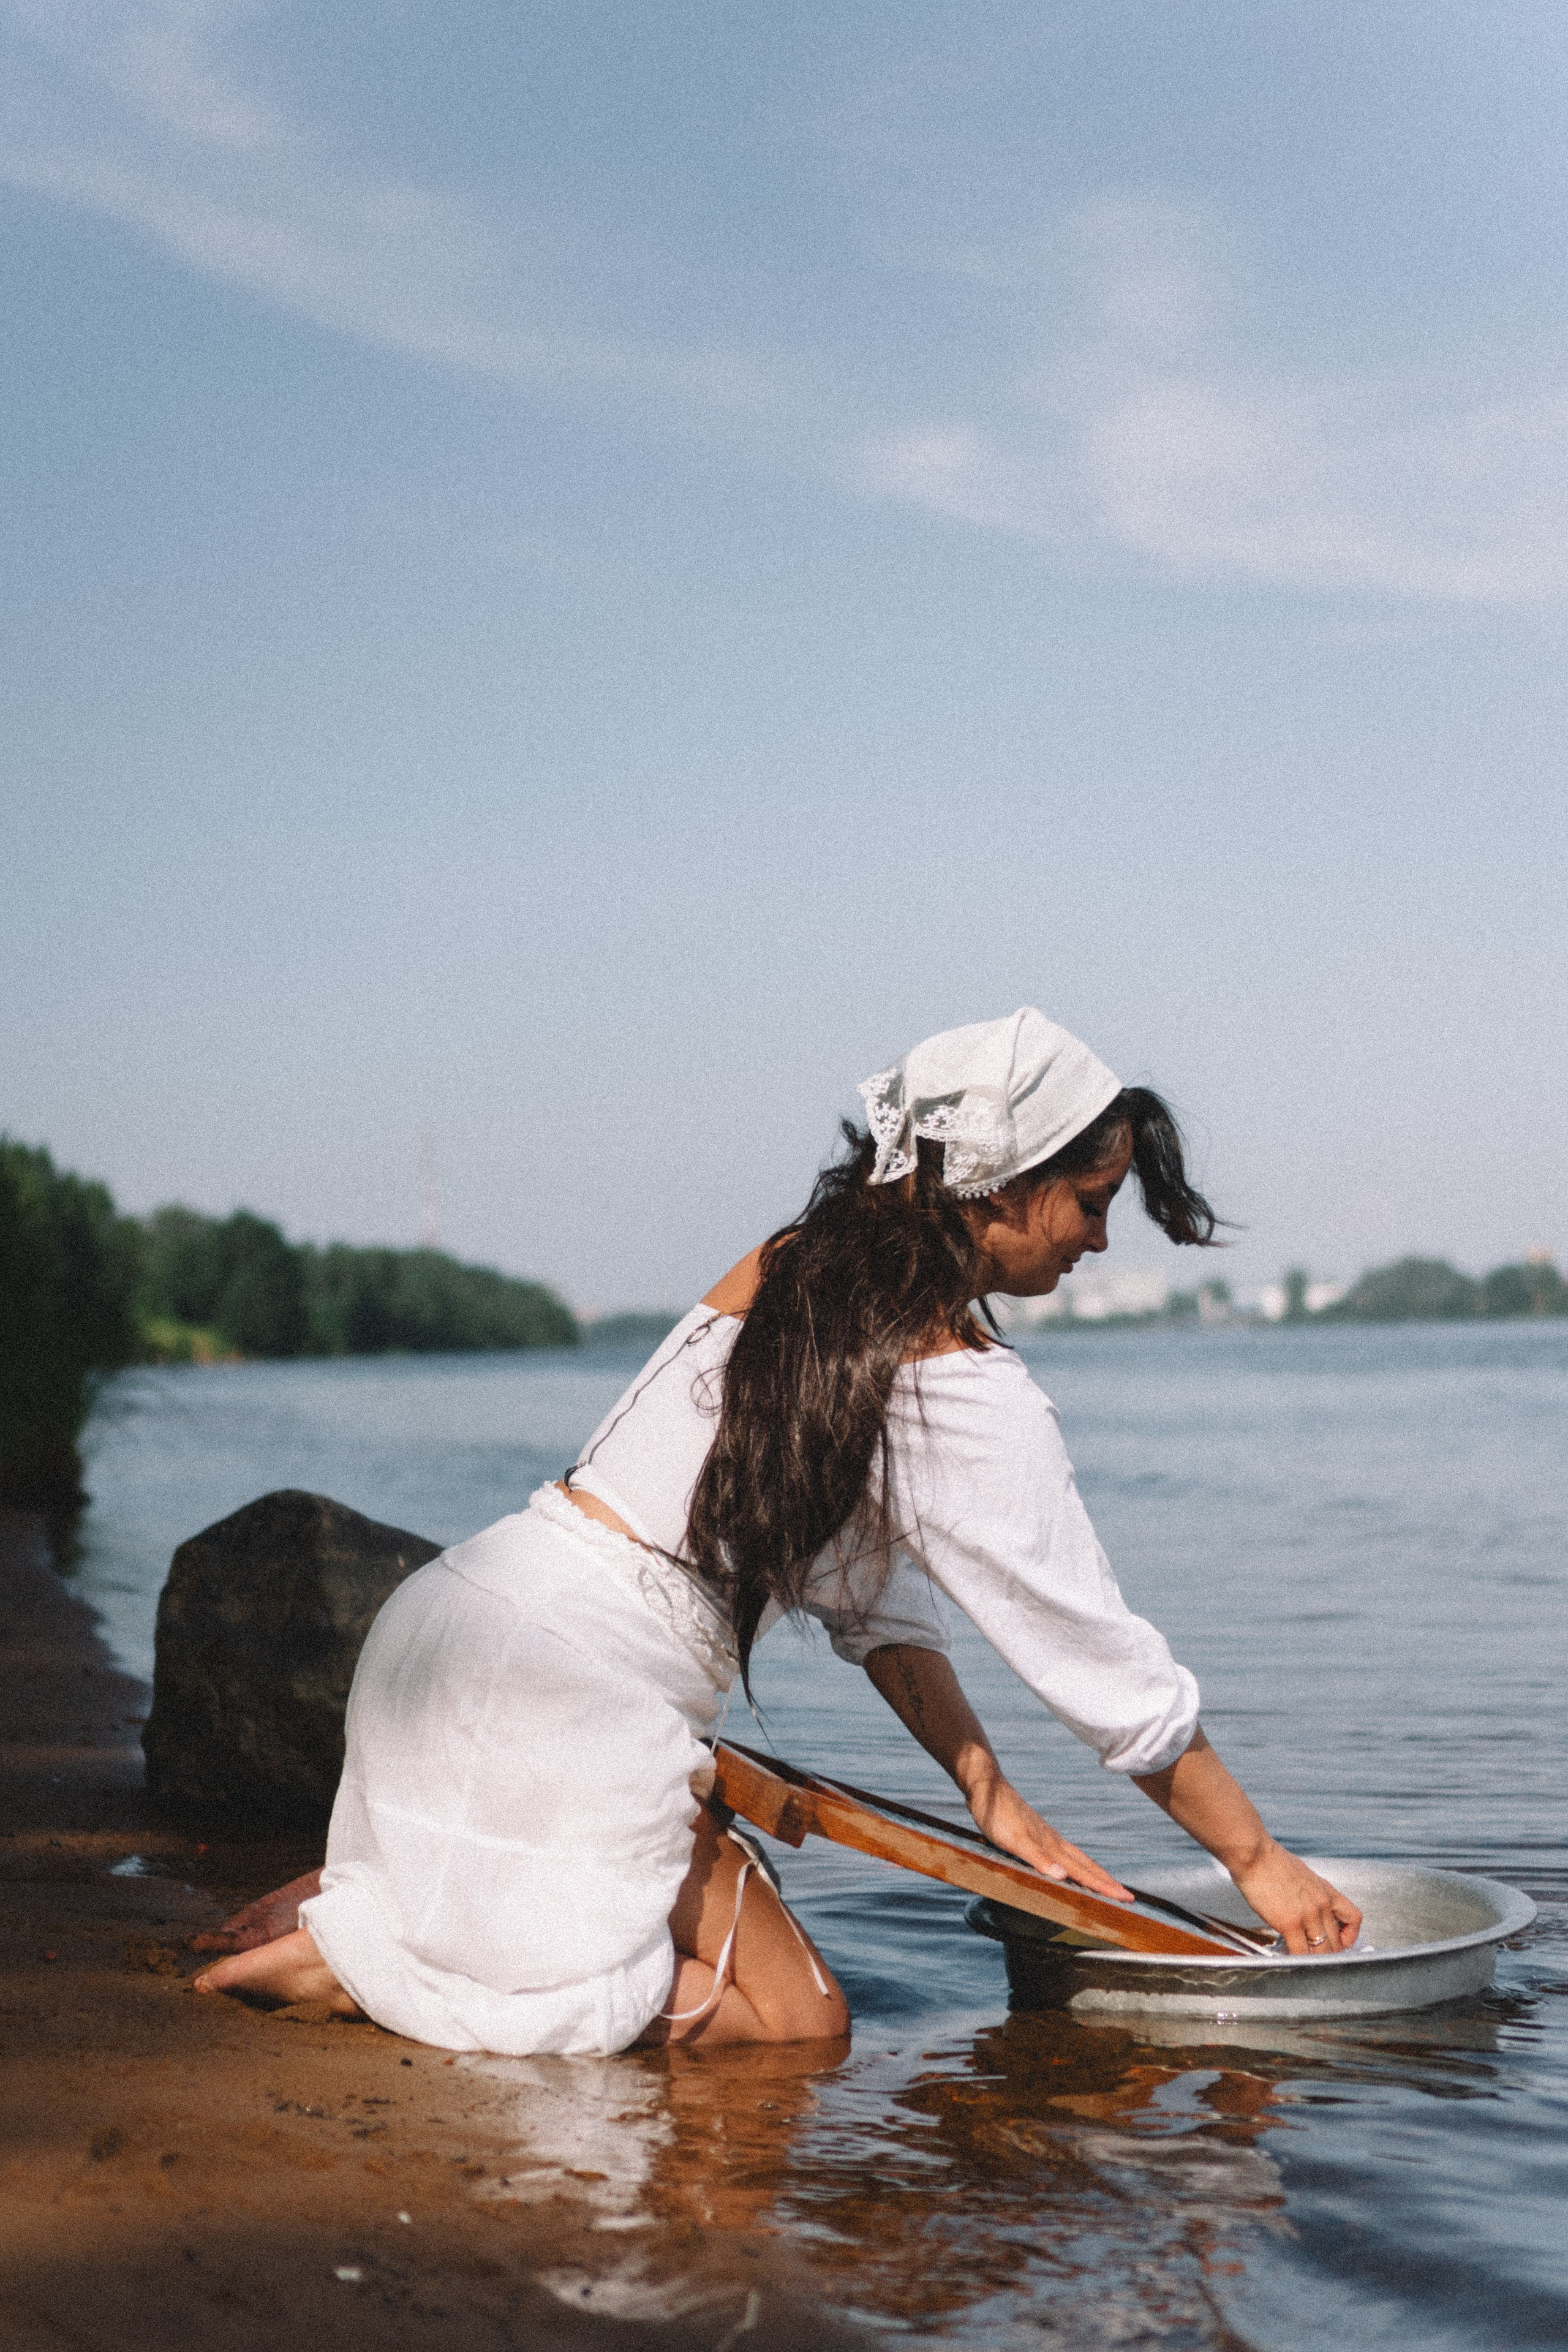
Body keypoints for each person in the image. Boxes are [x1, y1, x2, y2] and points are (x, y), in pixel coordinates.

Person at [194, 1008, 1362, 2049]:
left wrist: (992, 1798)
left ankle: (425, 1904)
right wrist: (1256, 1863)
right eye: (1094, 1205)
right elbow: (1102, 1668)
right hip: (569, 1704)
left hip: (443, 1636)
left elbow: (869, 1597)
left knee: (673, 1911)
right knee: (798, 2028)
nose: (1100, 1241)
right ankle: (370, 1967)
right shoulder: (955, 1377)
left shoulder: (795, 1268)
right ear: (1004, 1182)